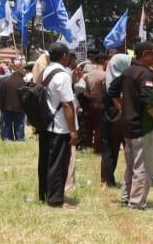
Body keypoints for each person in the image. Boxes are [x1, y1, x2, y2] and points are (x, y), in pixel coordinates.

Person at [108, 41, 153, 210]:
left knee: (131, 165)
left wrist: (122, 108)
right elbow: (149, 102)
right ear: (145, 54)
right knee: (143, 166)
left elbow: (112, 91)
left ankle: (126, 197)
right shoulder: (145, 74)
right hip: (142, 125)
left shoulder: (127, 72)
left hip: (127, 125)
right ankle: (137, 202)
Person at [37, 43, 79, 208]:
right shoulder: (62, 75)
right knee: (59, 164)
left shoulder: (46, 71)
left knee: (46, 162)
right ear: (64, 56)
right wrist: (73, 131)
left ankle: (45, 194)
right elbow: (68, 105)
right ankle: (56, 200)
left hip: (47, 124)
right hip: (60, 126)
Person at [101, 50, 132, 187]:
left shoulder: (107, 81)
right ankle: (132, 179)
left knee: (109, 150)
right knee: (130, 150)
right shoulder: (127, 81)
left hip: (109, 118)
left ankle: (107, 179)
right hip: (124, 119)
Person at [81, 52, 107, 152]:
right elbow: (105, 90)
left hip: (90, 101)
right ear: (105, 62)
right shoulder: (104, 75)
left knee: (90, 124)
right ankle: (98, 147)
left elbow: (86, 93)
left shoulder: (89, 75)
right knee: (100, 125)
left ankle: (88, 145)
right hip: (101, 101)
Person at [0, 61, 26, 141]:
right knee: (19, 123)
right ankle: (19, 138)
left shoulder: (5, 82)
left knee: (6, 123)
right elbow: (25, 97)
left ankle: (7, 138)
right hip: (19, 107)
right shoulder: (22, 82)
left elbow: (1, 95)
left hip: (6, 107)